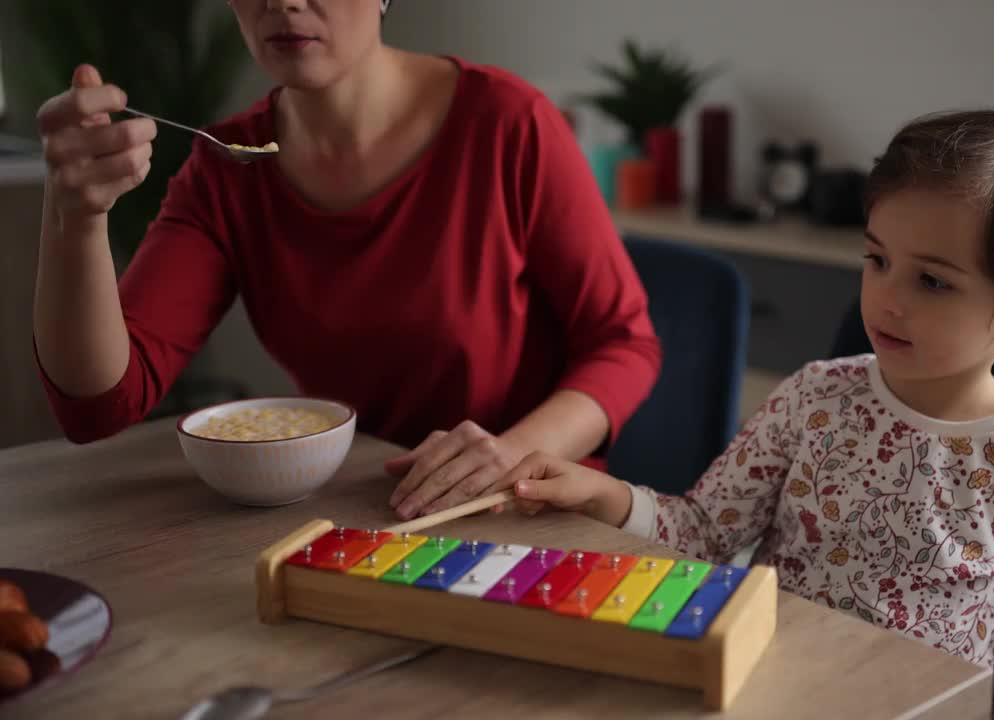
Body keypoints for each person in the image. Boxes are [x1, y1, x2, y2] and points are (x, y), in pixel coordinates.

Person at [501, 109, 994, 719]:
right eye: (877, 261)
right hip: (775, 697)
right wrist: (602, 495)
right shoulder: (815, 397)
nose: (887, 299)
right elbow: (705, 533)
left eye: (931, 281)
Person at [30, 0, 661, 521]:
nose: (281, 2)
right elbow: (100, 406)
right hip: (361, 517)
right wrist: (76, 217)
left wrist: (512, 453)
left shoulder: (507, 124)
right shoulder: (227, 170)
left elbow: (624, 344)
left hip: (531, 512)